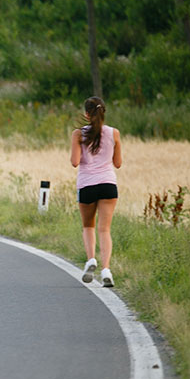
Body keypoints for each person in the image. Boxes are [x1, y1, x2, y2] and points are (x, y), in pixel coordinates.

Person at [71, 96, 122, 287]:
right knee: (105, 229)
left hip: (86, 185)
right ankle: (106, 269)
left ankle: (91, 259)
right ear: (104, 112)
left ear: (86, 114)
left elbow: (75, 162)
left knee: (88, 226)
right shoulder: (114, 133)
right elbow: (118, 163)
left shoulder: (78, 134)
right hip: (108, 184)